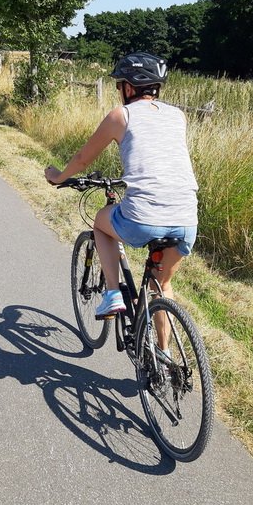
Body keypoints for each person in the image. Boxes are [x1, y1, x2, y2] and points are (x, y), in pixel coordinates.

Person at [45, 52, 198, 351]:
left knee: (102, 223)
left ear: (129, 87)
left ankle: (113, 293)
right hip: (186, 218)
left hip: (144, 217)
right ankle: (163, 357)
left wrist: (59, 176)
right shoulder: (177, 116)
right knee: (162, 287)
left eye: (120, 85)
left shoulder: (122, 115)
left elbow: (82, 158)